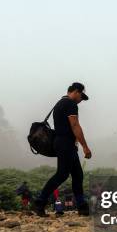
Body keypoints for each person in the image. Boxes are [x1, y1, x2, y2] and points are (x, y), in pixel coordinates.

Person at [33, 82, 92, 217]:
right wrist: (85, 146)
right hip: (65, 143)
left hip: (64, 142)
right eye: (81, 97)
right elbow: (75, 125)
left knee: (77, 174)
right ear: (76, 91)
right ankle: (40, 201)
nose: (80, 101)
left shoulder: (60, 103)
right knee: (62, 174)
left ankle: (82, 206)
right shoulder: (70, 104)